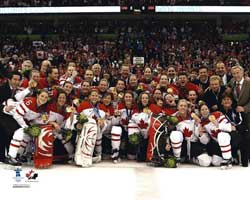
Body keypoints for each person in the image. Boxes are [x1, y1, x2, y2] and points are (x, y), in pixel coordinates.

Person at [6, 90, 50, 166]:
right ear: (37, 96)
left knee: (27, 136)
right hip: (10, 115)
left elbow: (35, 120)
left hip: (22, 119)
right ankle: (11, 156)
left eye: (46, 97)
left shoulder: (43, 108)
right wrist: (25, 127)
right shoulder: (30, 101)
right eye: (42, 96)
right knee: (20, 133)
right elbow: (17, 115)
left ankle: (18, 155)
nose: (44, 98)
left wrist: (44, 120)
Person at [170, 99, 211, 167]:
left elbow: (205, 141)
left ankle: (192, 159)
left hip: (194, 145)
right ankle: (177, 157)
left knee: (206, 162)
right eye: (181, 105)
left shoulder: (194, 117)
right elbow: (168, 132)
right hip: (182, 145)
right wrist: (167, 143)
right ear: (177, 107)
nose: (183, 107)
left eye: (185, 106)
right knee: (175, 134)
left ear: (187, 108)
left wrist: (200, 132)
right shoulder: (173, 118)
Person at [199, 103, 235, 169]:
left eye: (206, 109)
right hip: (218, 145)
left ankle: (228, 159)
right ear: (200, 112)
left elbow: (230, 128)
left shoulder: (217, 114)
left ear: (209, 110)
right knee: (215, 162)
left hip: (230, 139)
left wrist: (217, 123)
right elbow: (206, 141)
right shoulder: (202, 123)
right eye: (202, 110)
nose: (204, 111)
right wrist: (201, 134)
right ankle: (232, 158)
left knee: (221, 135)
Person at [0, 71, 22, 162]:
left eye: (18, 80)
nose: (16, 82)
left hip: (13, 116)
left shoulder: (19, 90)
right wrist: (5, 108)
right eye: (14, 79)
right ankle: (2, 157)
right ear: (9, 79)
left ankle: (11, 155)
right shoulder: (1, 89)